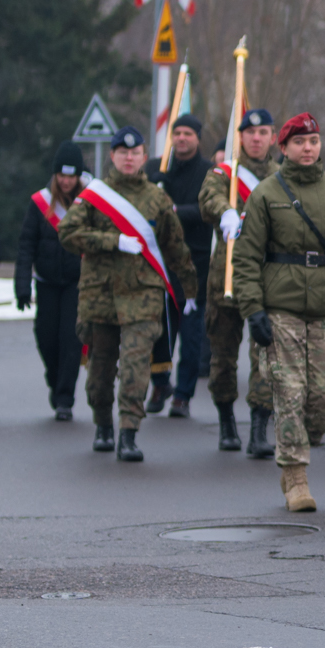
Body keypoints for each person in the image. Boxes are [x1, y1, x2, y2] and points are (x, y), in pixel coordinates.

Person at [232, 113, 325, 512]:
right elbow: (245, 258)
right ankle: (295, 475)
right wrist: (253, 309)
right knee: (289, 391)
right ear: (285, 148)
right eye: (299, 142)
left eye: (313, 140)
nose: (308, 148)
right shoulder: (265, 193)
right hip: (281, 309)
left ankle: (293, 442)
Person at [58, 125, 198, 462]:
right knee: (100, 372)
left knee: (136, 367)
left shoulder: (157, 198)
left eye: (135, 153)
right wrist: (111, 241)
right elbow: (68, 233)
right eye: (123, 152)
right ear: (113, 156)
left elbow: (175, 246)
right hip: (100, 296)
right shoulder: (94, 195)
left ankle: (129, 432)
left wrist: (190, 289)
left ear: (144, 156)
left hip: (143, 295)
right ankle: (104, 424)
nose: (130, 158)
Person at [201, 108, 279, 454]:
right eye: (251, 133)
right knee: (222, 357)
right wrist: (225, 210)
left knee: (266, 355)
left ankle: (260, 428)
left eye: (264, 132)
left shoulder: (282, 176)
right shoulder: (224, 173)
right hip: (226, 277)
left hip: (268, 278)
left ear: (273, 137)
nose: (257, 138)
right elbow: (208, 199)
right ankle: (226, 420)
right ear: (241, 137)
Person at [145, 112, 212, 419]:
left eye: (188, 133)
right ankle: (160, 383)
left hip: (194, 264)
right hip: (160, 262)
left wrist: (172, 209)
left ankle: (183, 395)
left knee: (192, 334)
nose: (182, 138)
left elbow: (207, 210)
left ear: (198, 138)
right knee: (159, 329)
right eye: (178, 133)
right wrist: (153, 189)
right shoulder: (157, 168)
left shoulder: (209, 171)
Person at [17, 143, 87, 419]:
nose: (66, 181)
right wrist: (21, 285)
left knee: (70, 339)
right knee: (46, 337)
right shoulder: (40, 203)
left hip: (76, 283)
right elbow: (26, 246)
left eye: (71, 176)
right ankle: (55, 380)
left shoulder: (88, 203)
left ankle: (64, 399)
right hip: (45, 281)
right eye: (62, 175)